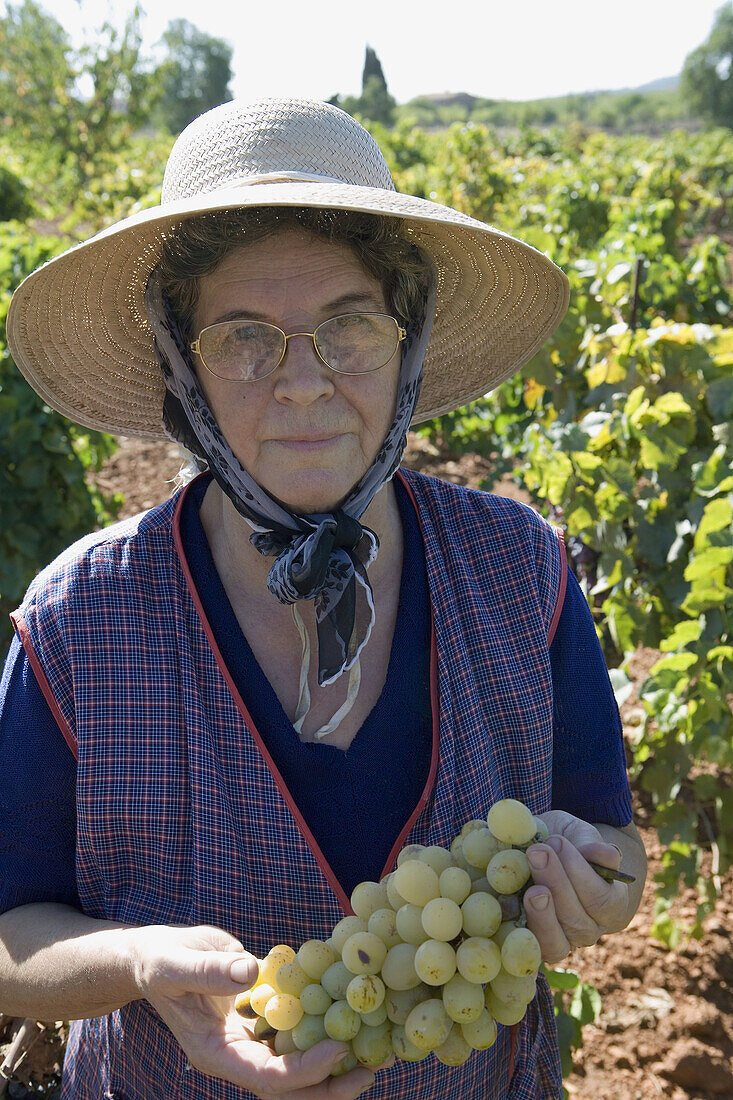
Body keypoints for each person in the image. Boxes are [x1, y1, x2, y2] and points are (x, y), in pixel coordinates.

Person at [0, 97, 646, 1100]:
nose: (302, 380)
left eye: (349, 325)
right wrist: (134, 964)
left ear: (408, 342)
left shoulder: (520, 571)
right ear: (185, 369)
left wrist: (591, 885)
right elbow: (9, 939)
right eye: (243, 338)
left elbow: (615, 845)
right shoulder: (78, 620)